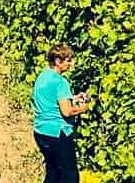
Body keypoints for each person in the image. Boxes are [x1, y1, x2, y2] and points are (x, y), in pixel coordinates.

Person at [32, 44, 89, 183]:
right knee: (69, 175)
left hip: (40, 131)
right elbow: (67, 111)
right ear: (58, 61)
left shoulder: (43, 76)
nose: (71, 64)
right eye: (68, 60)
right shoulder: (60, 82)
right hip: (58, 133)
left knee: (53, 172)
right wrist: (83, 108)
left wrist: (72, 98)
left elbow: (52, 100)